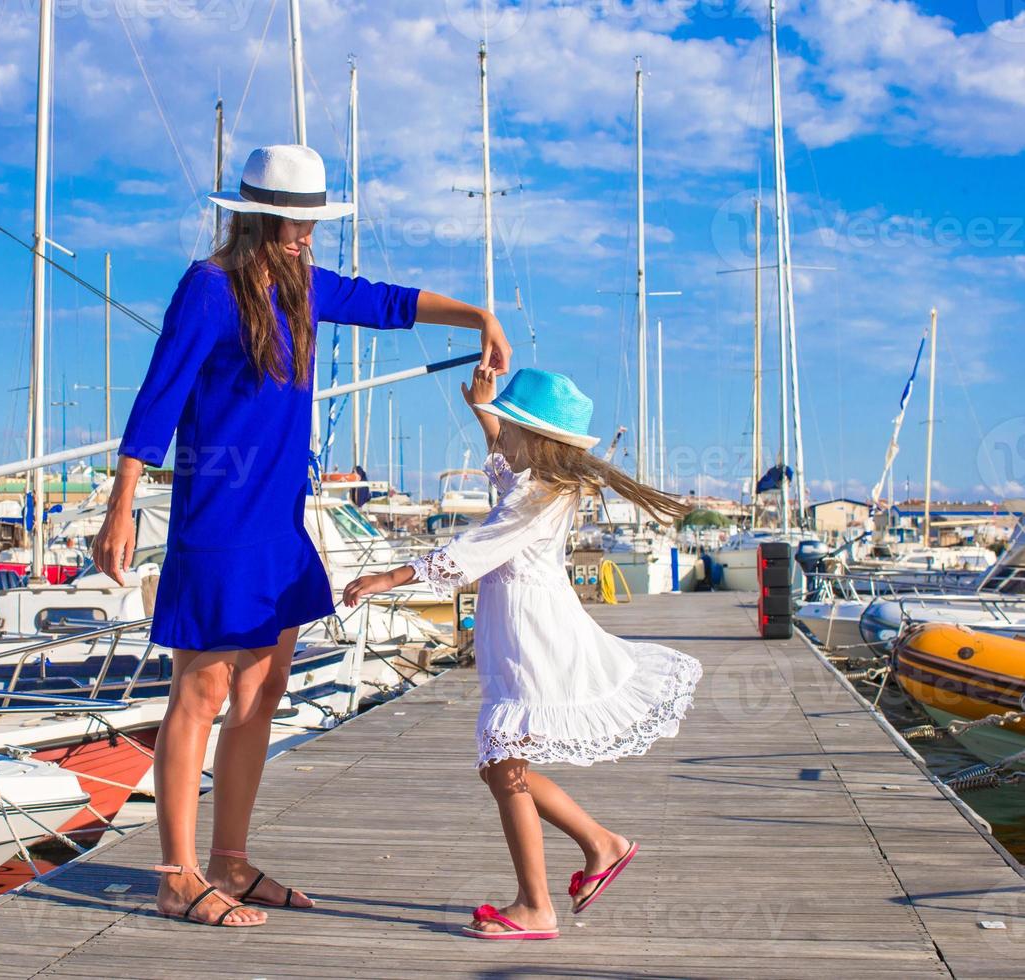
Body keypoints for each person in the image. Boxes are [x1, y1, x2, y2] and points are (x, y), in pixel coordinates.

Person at [93, 144, 513, 927]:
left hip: (280, 519)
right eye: (293, 222)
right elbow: (158, 398)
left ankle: (231, 862)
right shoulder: (209, 288)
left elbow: (389, 301)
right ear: (256, 216)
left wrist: (479, 316)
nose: (305, 236)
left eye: (313, 223)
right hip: (217, 518)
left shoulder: (304, 289)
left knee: (264, 688)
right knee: (202, 689)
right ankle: (176, 874)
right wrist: (121, 504)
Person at [343, 365, 703, 940]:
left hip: (534, 634)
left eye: (510, 427)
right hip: (520, 630)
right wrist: (485, 411)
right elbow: (502, 463)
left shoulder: (536, 496)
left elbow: (476, 546)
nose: (500, 438)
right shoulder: (535, 483)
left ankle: (538, 904)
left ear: (533, 439)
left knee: (505, 760)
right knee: (502, 762)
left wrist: (391, 575)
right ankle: (599, 845)